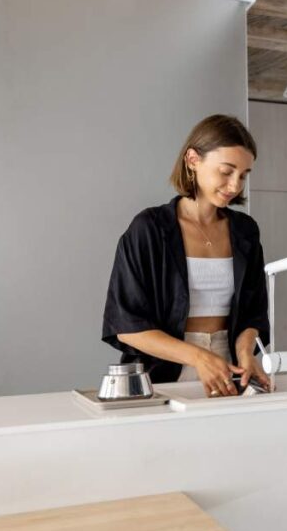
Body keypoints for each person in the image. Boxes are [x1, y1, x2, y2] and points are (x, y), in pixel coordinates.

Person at [102, 114, 272, 398]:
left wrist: (246, 353)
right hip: (163, 374)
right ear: (193, 160)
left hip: (228, 373)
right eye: (226, 171)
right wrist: (198, 357)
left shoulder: (245, 232)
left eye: (243, 175)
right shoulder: (149, 229)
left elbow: (253, 313)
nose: (235, 186)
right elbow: (127, 326)